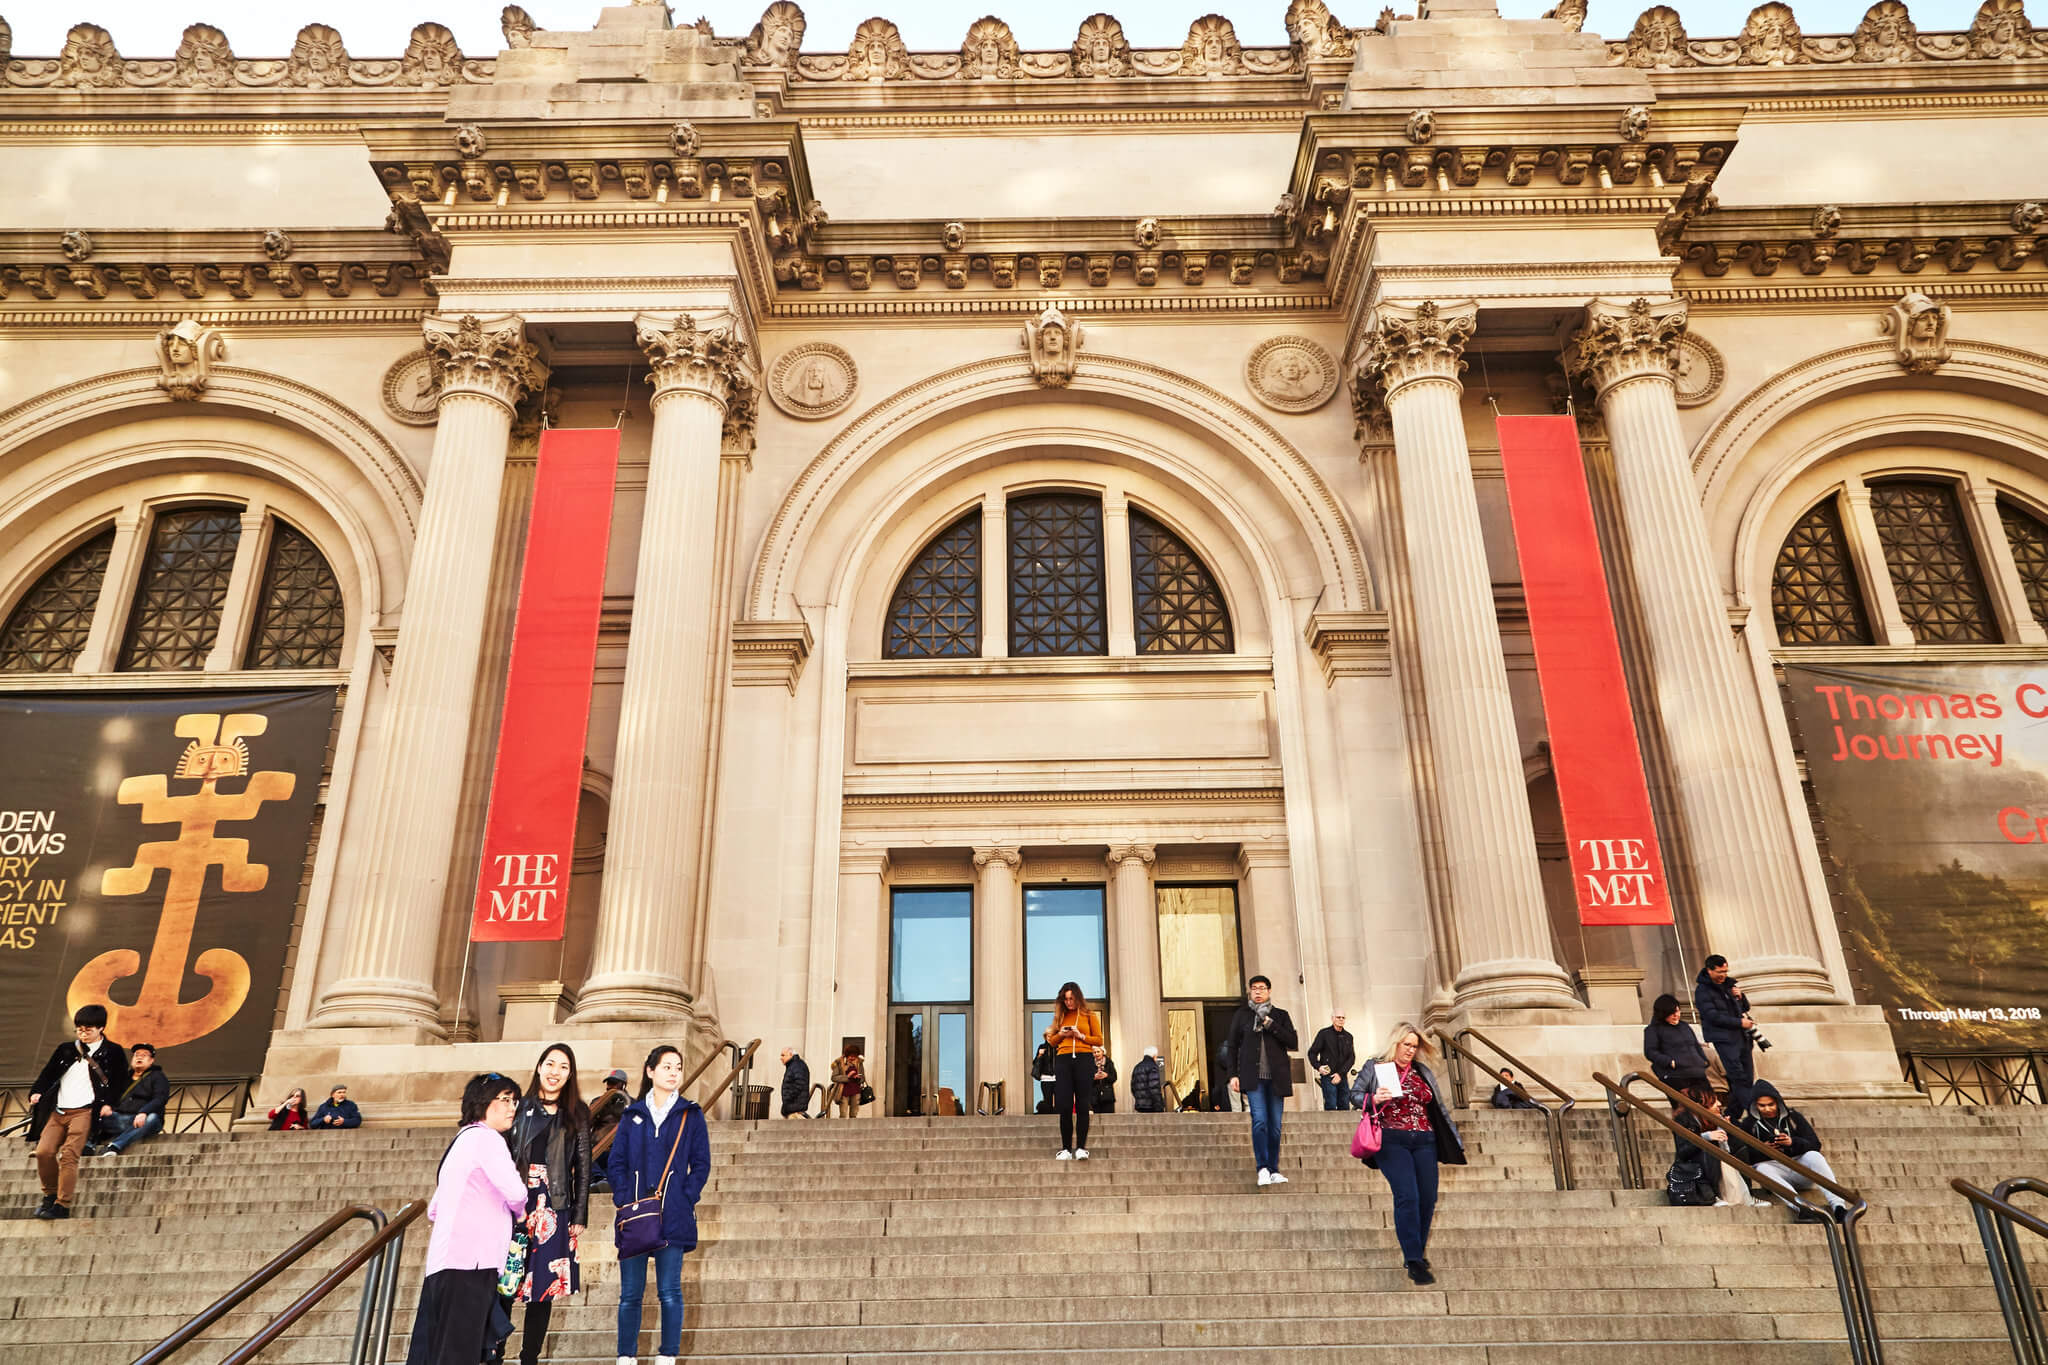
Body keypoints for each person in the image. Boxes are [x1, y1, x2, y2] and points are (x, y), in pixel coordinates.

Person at [405, 1072, 527, 1365]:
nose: (513, 1108)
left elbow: (435, 1208)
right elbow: (516, 1192)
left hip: (444, 1263)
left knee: (435, 1351)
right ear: (483, 1102)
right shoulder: (488, 1139)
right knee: (461, 1352)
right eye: (506, 1099)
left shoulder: (460, 1141)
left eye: (516, 1101)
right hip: (473, 1262)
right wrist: (521, 1213)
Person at [609, 1044, 712, 1365]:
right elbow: (616, 1162)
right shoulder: (632, 1115)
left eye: (678, 1067)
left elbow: (702, 1163)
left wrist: (685, 1194)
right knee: (630, 1295)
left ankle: (667, 1355)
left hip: (674, 1216)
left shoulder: (690, 1114)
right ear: (650, 1071)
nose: (673, 1073)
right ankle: (626, 1356)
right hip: (636, 1213)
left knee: (669, 1291)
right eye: (667, 1066)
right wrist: (625, 1196)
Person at [1353, 1023, 1467, 1285]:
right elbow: (1355, 1094)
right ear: (1395, 1043)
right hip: (1392, 1140)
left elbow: (1438, 1107)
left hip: (1425, 1140)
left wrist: (1454, 1139)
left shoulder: (1421, 1070)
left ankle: (1415, 1250)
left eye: (1414, 1046)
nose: (1410, 1050)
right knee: (1408, 1195)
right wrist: (1374, 1099)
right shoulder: (1376, 1067)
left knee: (1428, 1198)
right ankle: (1414, 1258)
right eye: (1406, 1045)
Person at [507, 1045, 591, 1365]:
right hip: (517, 1202)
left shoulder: (577, 1113)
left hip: (554, 1206)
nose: (555, 1071)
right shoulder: (519, 1106)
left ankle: (529, 1357)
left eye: (564, 1067)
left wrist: (579, 1212)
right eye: (550, 1064)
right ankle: (495, 1351)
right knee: (507, 1280)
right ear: (539, 1066)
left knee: (542, 1289)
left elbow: (584, 1165)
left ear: (571, 1074)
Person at [27, 1003, 126, 1220]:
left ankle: (62, 1204)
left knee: (69, 1156)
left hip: (85, 1112)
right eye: (79, 1029)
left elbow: (119, 1082)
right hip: (58, 1110)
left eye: (88, 1029)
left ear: (101, 1028)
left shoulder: (113, 1052)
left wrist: (110, 1103)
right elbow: (47, 1074)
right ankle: (50, 1195)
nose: (83, 1033)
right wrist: (37, 1092)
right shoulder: (66, 1049)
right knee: (44, 1152)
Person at [1223, 974, 1298, 1187]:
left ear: (1269, 991)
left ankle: (1274, 1169)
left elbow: (1292, 1041)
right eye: (1254, 988)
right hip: (1253, 1078)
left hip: (1277, 1079)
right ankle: (1263, 1167)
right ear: (1250, 991)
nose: (1258, 991)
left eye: (1262, 988)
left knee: (1275, 1126)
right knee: (1260, 1121)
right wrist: (1232, 1075)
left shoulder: (1280, 1015)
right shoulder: (1242, 1015)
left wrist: (1270, 1024)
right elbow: (1232, 1047)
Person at [1743, 1081, 1848, 1220]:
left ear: (1778, 1103)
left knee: (1814, 1156)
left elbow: (1815, 1144)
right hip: (1774, 1170)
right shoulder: (1748, 1124)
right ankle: (1801, 1208)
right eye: (1762, 1105)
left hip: (1800, 1167)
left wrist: (1792, 1142)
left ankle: (1839, 1207)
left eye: (1771, 1104)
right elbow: (1745, 1157)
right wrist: (1764, 1149)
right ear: (1755, 1105)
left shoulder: (1793, 1117)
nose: (1767, 1109)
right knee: (1761, 1168)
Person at [1043, 982, 1104, 1159]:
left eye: (1071, 999)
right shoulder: (1060, 1017)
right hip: (1063, 1060)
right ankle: (1066, 1148)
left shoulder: (1089, 1015)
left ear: (1078, 997)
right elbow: (1052, 1042)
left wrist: (1081, 1035)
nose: (1069, 1002)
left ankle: (1081, 1148)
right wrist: (1062, 1034)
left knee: (1083, 1104)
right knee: (1065, 1105)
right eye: (1066, 999)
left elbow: (1098, 1039)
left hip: (1084, 1059)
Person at [1695, 955, 1758, 1115]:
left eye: (1725, 971)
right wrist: (1739, 1023)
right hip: (1724, 1039)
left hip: (1742, 1038)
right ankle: (1756, 1115)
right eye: (1719, 972)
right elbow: (1712, 1016)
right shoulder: (1703, 991)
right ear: (1709, 970)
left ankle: (1731, 1116)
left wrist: (1741, 996)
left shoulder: (1729, 985)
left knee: (1748, 1078)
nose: (1723, 975)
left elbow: (1744, 1007)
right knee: (1738, 1077)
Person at [87, 1041, 168, 1156]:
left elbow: (160, 1098)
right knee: (93, 1113)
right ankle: (88, 1145)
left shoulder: (158, 1076)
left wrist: (144, 1112)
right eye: (136, 1055)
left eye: (144, 1055)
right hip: (120, 1119)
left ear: (151, 1060)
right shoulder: (123, 1077)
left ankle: (114, 1146)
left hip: (143, 1120)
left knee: (152, 1118)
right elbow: (112, 1094)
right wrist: (108, 1105)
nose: (139, 1057)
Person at [1643, 993, 1712, 1091]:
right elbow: (1650, 1052)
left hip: (1698, 1073)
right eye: (1672, 1013)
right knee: (1686, 1105)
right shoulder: (1653, 1030)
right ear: (1663, 1013)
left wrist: (1703, 1061)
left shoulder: (1685, 1026)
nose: (1676, 1015)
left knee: (1709, 1103)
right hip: (1675, 1076)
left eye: (1678, 1011)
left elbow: (1695, 1045)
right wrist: (1669, 1062)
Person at [1307, 1012, 1356, 1111]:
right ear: (1333, 1019)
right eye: (1338, 1017)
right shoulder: (1324, 1034)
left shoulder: (1348, 1036)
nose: (1341, 1019)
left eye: (1343, 1017)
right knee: (1331, 1104)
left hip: (1342, 1075)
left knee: (1345, 1104)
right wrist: (1319, 1067)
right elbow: (1312, 1052)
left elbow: (1351, 1058)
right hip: (1327, 1074)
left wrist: (1340, 1074)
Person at [828, 1043, 865, 1119]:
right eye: (851, 1056)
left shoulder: (859, 1063)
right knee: (843, 1114)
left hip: (856, 1090)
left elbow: (863, 1077)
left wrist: (858, 1077)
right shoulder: (839, 1063)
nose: (852, 1058)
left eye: (854, 1056)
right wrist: (847, 1077)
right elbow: (834, 1077)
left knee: (854, 1114)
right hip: (843, 1091)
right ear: (847, 1055)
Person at [1130, 1046, 1165, 1114]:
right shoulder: (1153, 1067)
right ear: (1154, 1056)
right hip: (1151, 1106)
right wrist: (1159, 1106)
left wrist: (1139, 1099)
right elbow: (1154, 1088)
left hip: (1140, 1105)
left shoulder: (1137, 1067)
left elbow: (1133, 1087)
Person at [778, 1047, 811, 1119]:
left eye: (783, 1055)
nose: (781, 1058)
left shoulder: (797, 1066)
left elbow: (799, 1084)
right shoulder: (794, 1065)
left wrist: (787, 1097)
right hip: (793, 1107)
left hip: (794, 1108)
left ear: (790, 1054)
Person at [1031, 1039, 1059, 1114]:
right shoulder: (1042, 1047)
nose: (1050, 1038)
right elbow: (1035, 1062)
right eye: (1048, 1036)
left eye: (1052, 1036)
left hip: (1058, 1078)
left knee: (1059, 1100)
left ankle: (1058, 1118)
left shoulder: (1059, 1047)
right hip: (1046, 1078)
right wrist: (1040, 1055)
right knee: (1047, 1100)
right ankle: (1048, 1117)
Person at [1089, 1047, 1117, 1114]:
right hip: (1094, 1098)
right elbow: (1085, 1080)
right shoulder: (1090, 1064)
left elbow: (1114, 1077)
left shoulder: (1109, 1063)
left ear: (1103, 1052)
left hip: (1108, 1097)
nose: (1096, 1054)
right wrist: (1094, 1077)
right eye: (1094, 1052)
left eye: (1098, 1052)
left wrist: (1106, 1076)